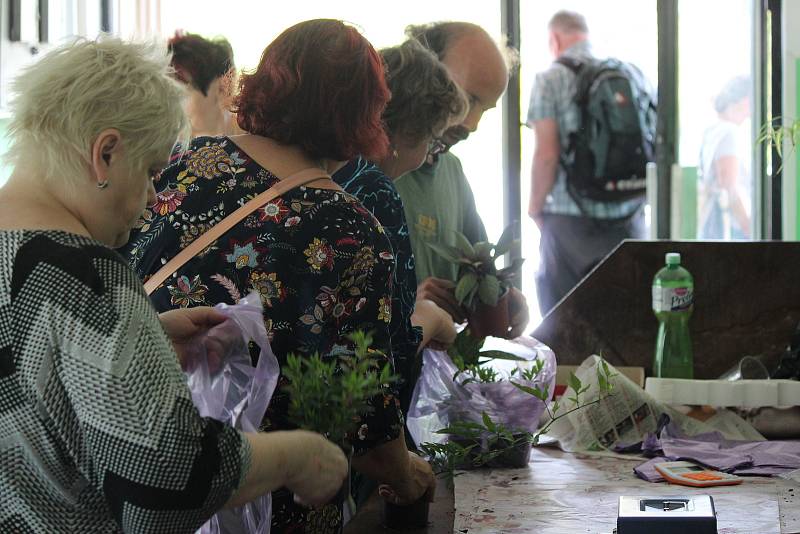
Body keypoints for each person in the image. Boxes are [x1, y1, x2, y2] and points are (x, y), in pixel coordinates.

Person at [0, 37, 346, 534]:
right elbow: (164, 482)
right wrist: (294, 454)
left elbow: (27, 370)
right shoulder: (88, 276)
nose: (148, 201)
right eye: (149, 173)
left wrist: (147, 336)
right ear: (106, 153)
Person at [123, 20, 435, 533]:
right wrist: (406, 479)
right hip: (271, 496)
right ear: (364, 115)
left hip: (150, 467)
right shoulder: (351, 230)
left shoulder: (183, 165)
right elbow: (362, 410)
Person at [333, 39, 467, 416]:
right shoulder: (375, 189)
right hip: (358, 423)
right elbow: (385, 345)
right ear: (404, 134)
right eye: (432, 140)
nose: (429, 155)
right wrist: (431, 318)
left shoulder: (335, 173)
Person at [395, 21, 530, 338]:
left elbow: (482, 271)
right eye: (466, 97)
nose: (471, 124)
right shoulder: (366, 172)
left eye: (485, 108)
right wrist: (408, 304)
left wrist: (504, 297)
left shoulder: (451, 171)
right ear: (422, 69)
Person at [527, 10, 648, 316]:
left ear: (554, 39)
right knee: (625, 316)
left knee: (564, 321)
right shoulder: (632, 73)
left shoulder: (550, 79)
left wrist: (535, 207)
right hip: (629, 215)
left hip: (571, 220)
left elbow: (547, 154)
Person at [698, 75, 752, 240]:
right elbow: (728, 184)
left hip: (712, 222)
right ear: (745, 101)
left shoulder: (712, 130)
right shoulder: (729, 132)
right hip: (729, 227)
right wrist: (748, 227)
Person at [168, 31, 240, 137]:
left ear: (222, 86)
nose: (168, 100)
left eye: (180, 88)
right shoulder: (164, 144)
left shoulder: (251, 142)